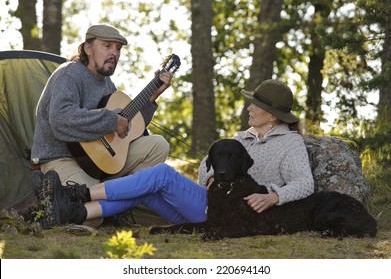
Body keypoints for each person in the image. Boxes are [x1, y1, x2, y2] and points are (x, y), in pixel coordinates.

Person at [34, 79, 314, 227]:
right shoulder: (241, 138)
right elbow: (206, 166)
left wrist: (274, 196)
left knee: (162, 175)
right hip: (211, 205)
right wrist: (210, 177)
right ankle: (76, 213)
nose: (249, 108)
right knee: (146, 190)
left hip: (234, 215)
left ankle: (78, 194)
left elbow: (305, 183)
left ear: (274, 117)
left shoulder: (290, 144)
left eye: (255, 105)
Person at [31, 24, 173, 188]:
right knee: (88, 206)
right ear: (88, 49)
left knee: (158, 146)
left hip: (99, 161)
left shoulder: (107, 84)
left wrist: (152, 97)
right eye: (107, 46)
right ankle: (109, 195)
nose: (114, 53)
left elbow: (130, 129)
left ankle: (120, 193)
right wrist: (112, 120)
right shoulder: (69, 74)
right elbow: (60, 119)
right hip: (62, 158)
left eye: (118, 48)